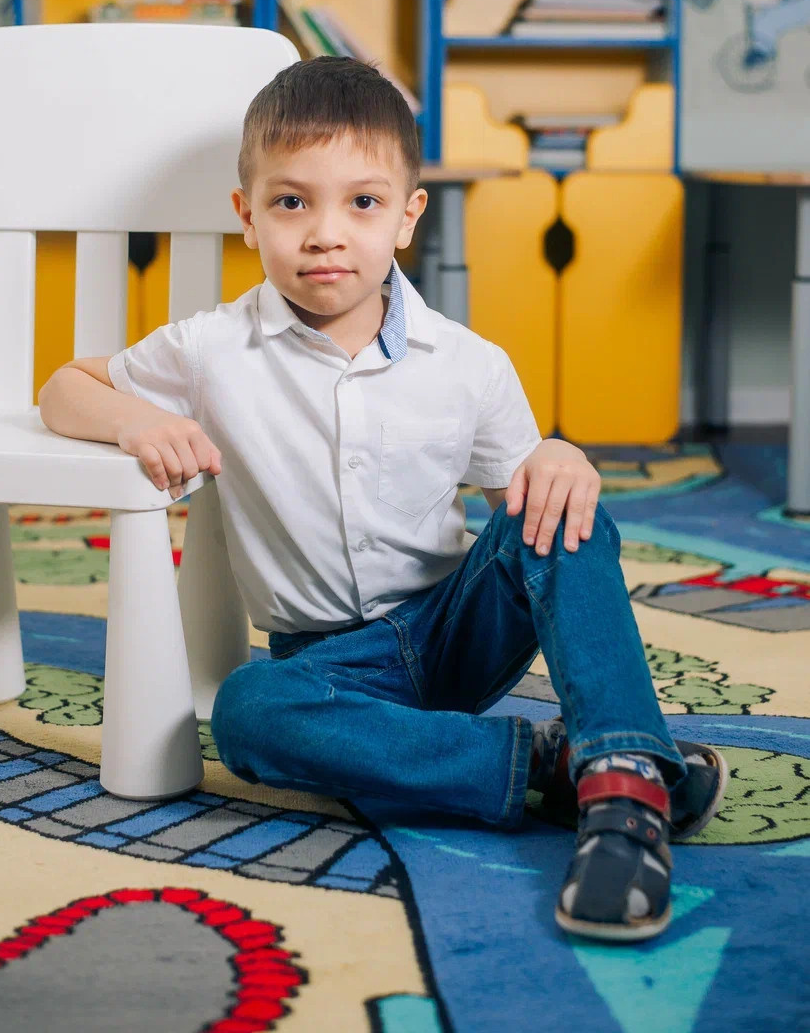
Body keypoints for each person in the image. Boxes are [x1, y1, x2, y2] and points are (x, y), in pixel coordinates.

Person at [38, 56, 726, 943]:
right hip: (328, 667)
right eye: (292, 203)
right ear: (246, 217)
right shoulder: (212, 349)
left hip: (451, 632)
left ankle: (627, 781)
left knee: (565, 504)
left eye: (362, 203)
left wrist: (558, 456)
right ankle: (556, 766)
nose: (326, 234)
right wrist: (136, 420)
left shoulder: (467, 361)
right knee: (249, 714)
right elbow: (65, 387)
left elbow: (530, 523)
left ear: (407, 216)